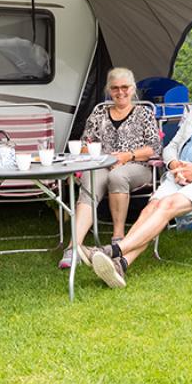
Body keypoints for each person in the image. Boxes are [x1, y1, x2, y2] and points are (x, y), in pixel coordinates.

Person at [82, 64, 192, 288]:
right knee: (150, 208)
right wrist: (174, 163)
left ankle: (112, 250)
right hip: (178, 175)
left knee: (166, 205)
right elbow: (170, 146)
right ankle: (121, 265)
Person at [59, 68, 161, 269]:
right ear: (109, 90)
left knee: (118, 176)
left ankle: (118, 238)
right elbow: (84, 142)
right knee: (90, 182)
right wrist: (101, 156)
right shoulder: (99, 112)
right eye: (115, 88)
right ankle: (74, 247)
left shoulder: (144, 113)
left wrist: (126, 156)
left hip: (136, 166)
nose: (120, 92)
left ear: (132, 89)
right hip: (102, 164)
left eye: (125, 87)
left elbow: (155, 147)